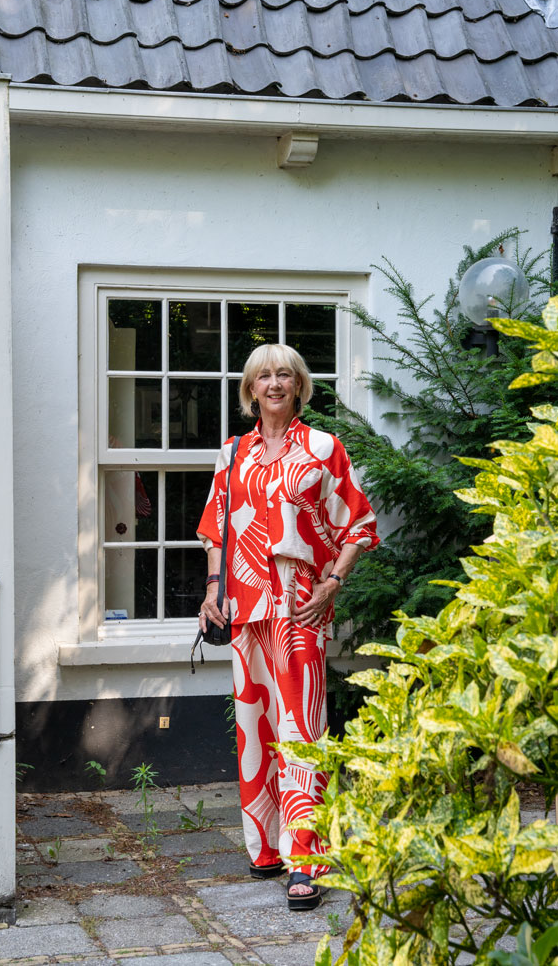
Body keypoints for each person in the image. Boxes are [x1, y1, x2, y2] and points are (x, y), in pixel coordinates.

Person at [196, 344, 379, 911]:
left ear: (300, 386)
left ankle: (306, 858)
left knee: (301, 729)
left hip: (300, 607)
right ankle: (265, 846)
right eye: (264, 375)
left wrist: (332, 585)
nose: (274, 383)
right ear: (250, 389)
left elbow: (359, 524)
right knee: (254, 728)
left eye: (285, 375)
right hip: (244, 605)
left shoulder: (324, 448)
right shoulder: (232, 454)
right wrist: (210, 590)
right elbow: (215, 529)